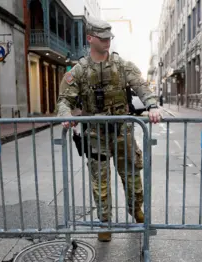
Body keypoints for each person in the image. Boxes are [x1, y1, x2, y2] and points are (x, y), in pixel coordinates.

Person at [55, 16, 162, 242]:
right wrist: (65, 115)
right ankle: (105, 221)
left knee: (133, 176)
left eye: (109, 38)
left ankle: (136, 211)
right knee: (100, 181)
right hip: (95, 135)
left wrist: (152, 105)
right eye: (102, 38)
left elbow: (142, 87)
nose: (107, 42)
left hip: (123, 132)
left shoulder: (122, 66)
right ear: (90, 38)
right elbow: (64, 100)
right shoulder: (80, 71)